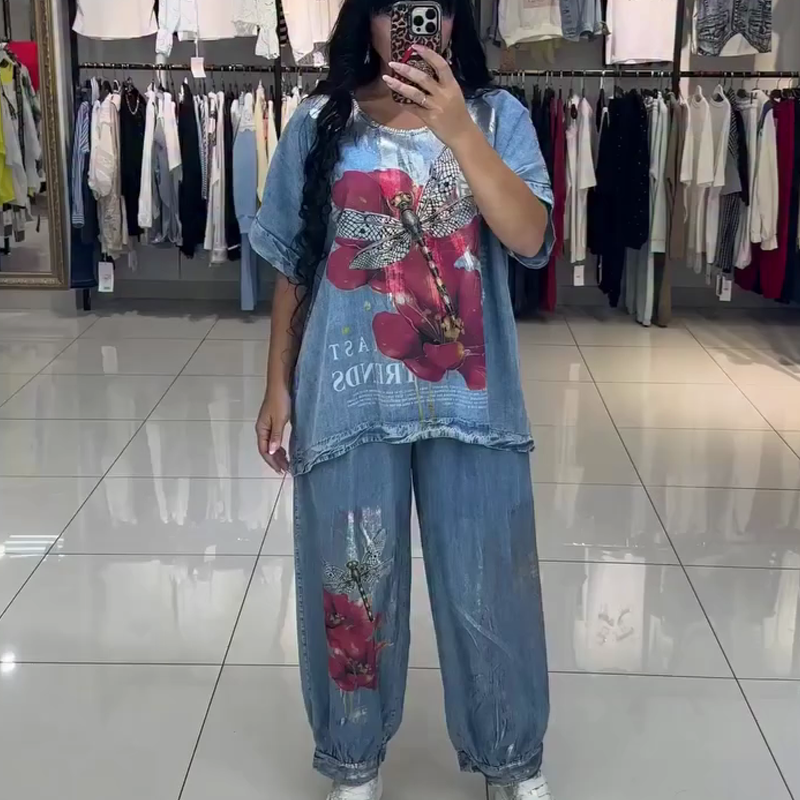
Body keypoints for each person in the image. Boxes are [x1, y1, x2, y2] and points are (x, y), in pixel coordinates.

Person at [250, 0, 554, 796]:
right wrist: (277, 381)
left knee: (489, 587)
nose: (416, 28)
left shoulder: (498, 118)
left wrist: (459, 131)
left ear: (454, 22)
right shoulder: (319, 121)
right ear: (368, 18)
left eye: (434, 8)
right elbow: (295, 265)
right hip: (348, 393)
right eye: (396, 7)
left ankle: (511, 758)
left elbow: (530, 238)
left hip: (472, 403)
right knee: (352, 584)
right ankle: (353, 759)